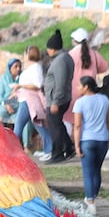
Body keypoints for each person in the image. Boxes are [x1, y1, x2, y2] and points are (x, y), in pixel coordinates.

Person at [71, 75, 109, 214]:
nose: (77, 88)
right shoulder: (104, 99)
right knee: (96, 170)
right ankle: (93, 195)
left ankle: (91, 202)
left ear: (86, 87)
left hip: (87, 139)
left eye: (79, 85)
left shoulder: (80, 103)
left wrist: (76, 145)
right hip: (102, 139)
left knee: (88, 172)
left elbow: (77, 126)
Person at [42, 30, 74, 163]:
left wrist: (55, 102)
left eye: (48, 48)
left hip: (57, 99)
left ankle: (58, 153)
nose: (47, 51)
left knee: (55, 127)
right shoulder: (65, 57)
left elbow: (60, 83)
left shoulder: (60, 61)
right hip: (60, 98)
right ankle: (69, 147)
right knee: (58, 125)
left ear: (53, 49)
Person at [14, 46, 49, 157]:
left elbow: (38, 84)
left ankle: (13, 151)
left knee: (18, 127)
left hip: (28, 101)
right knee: (39, 126)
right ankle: (50, 148)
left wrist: (20, 85)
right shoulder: (32, 68)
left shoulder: (36, 68)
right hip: (25, 99)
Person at [0, 58, 22, 126]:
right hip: (5, 102)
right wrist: (6, 104)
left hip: (19, 101)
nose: (18, 69)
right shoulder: (4, 78)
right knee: (1, 112)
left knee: (22, 112)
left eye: (19, 66)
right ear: (10, 68)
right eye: (15, 66)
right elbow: (0, 96)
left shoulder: (22, 77)